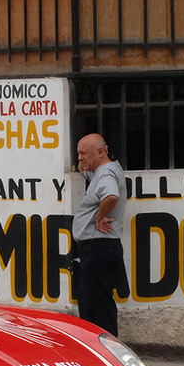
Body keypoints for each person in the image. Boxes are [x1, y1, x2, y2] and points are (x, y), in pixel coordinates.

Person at [72, 133, 128, 336]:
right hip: (99, 249)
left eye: (84, 153)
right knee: (91, 303)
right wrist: (84, 164)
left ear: (101, 152)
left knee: (98, 309)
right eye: (78, 153)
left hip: (99, 248)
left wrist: (99, 217)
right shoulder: (103, 171)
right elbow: (88, 173)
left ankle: (104, 349)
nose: (80, 158)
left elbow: (111, 196)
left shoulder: (105, 174)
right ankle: (99, 347)